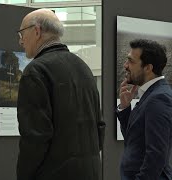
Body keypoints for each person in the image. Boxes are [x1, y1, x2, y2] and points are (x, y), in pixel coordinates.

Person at [16, 9, 104, 180]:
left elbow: (35, 137)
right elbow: (99, 127)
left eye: (21, 34)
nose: (20, 41)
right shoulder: (83, 68)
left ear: (37, 31)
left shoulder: (36, 71)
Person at [116, 39, 172, 180]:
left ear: (148, 68)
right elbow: (133, 140)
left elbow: (156, 156)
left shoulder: (158, 98)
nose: (125, 65)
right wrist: (125, 108)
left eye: (131, 61)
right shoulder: (151, 94)